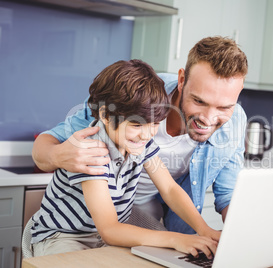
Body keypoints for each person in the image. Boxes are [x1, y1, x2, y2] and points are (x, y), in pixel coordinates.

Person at [32, 36, 248, 234]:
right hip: (85, 221)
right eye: (199, 101)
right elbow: (45, 144)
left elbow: (222, 195)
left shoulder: (235, 122)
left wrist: (234, 239)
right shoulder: (139, 94)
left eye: (224, 107)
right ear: (182, 80)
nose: (208, 118)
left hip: (140, 213)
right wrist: (59, 155)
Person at [30, 59, 220, 257]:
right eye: (137, 125)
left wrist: (205, 230)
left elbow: (170, 189)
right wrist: (175, 238)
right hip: (65, 236)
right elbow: (110, 230)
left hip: (105, 237)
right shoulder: (92, 150)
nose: (147, 135)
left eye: (155, 124)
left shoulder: (140, 143)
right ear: (105, 115)